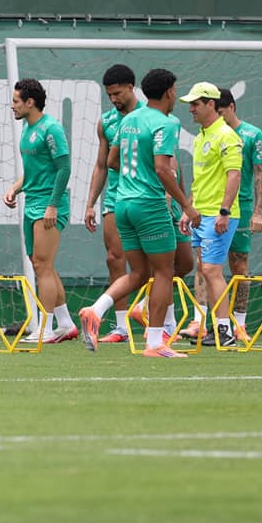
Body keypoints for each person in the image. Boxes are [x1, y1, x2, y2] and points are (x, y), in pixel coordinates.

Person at [78, 68, 199, 358]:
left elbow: (112, 160)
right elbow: (162, 169)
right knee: (163, 271)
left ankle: (95, 310)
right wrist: (186, 205)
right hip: (150, 204)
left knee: (142, 272)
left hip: (122, 204)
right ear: (170, 91)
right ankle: (155, 342)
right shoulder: (167, 123)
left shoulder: (129, 120)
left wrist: (134, 176)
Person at [1, 78, 77, 343]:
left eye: (15, 101)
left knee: (43, 266)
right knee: (40, 264)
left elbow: (64, 168)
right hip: (32, 202)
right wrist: (15, 188)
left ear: (30, 102)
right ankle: (66, 323)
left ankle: (45, 328)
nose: (12, 106)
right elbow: (34, 172)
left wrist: (53, 205)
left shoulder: (51, 129)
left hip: (48, 206)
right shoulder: (27, 128)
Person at [182, 82, 243, 347]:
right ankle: (214, 328)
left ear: (211, 105)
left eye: (195, 104)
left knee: (211, 270)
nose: (191, 109)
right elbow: (201, 179)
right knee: (204, 270)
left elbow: (234, 175)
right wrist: (189, 209)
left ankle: (225, 331)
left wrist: (224, 212)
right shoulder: (200, 136)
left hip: (219, 215)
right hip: (200, 214)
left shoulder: (227, 135)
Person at [84, 64, 142, 343]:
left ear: (131, 87)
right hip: (116, 198)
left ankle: (162, 322)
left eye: (117, 93)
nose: (114, 100)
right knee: (114, 259)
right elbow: (100, 165)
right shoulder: (106, 121)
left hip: (146, 197)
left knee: (158, 265)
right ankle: (121, 327)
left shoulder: (150, 117)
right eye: (109, 95)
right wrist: (90, 203)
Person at [218, 87, 262, 343]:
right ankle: (212, 324)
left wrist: (258, 212)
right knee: (208, 266)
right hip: (213, 207)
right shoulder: (211, 133)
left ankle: (240, 323)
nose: (218, 116)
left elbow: (260, 173)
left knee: (239, 264)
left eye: (221, 111)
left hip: (242, 207)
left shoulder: (252, 134)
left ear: (232, 107)